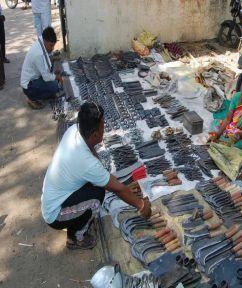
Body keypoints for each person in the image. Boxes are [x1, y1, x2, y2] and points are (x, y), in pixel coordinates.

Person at [41, 103, 152, 250]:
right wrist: (141, 205)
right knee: (96, 196)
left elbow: (93, 154)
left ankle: (76, 219)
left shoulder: (74, 130)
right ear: (95, 134)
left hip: (54, 199)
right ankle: (76, 239)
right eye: (103, 126)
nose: (104, 129)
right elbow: (118, 190)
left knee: (98, 185)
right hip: (55, 215)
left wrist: (115, 183)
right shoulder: (87, 163)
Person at [20, 27, 63, 109]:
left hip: (34, 78)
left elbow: (46, 60)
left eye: (53, 45)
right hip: (29, 86)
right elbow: (46, 77)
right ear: (45, 41)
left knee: (53, 82)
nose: (52, 48)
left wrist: (54, 74)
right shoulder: (38, 54)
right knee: (55, 87)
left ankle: (44, 92)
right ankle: (32, 98)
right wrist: (57, 77)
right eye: (51, 45)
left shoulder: (41, 40)